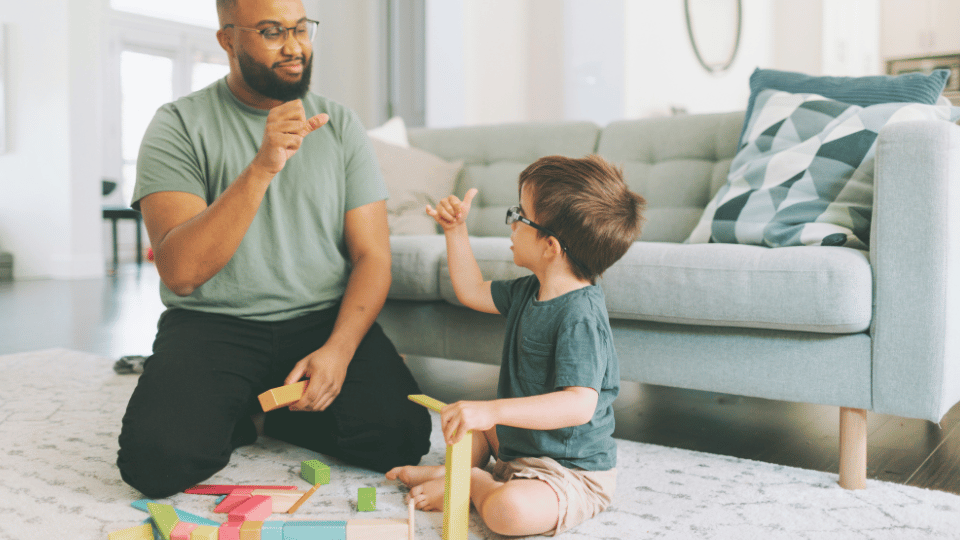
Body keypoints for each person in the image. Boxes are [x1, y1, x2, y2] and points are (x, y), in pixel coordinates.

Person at [116, 0, 431, 499]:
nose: (294, 46)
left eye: (301, 29)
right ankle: (248, 405)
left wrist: (338, 351)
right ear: (227, 39)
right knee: (156, 463)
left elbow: (373, 256)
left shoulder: (342, 125)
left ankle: (257, 408)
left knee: (403, 436)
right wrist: (262, 167)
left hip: (319, 321)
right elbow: (180, 273)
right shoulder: (177, 124)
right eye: (270, 31)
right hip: (214, 323)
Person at [387, 155, 646, 536]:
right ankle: (461, 472)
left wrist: (492, 410)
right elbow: (472, 291)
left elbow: (579, 403)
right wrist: (455, 231)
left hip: (568, 470)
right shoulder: (529, 290)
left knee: (508, 514)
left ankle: (471, 482)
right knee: (468, 425)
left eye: (519, 216)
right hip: (515, 445)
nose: (511, 223)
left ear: (550, 247)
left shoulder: (580, 316)